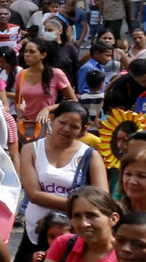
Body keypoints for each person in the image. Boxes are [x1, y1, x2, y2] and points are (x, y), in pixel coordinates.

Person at [19, 101, 108, 251]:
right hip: (36, 233)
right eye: (62, 122)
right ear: (52, 119)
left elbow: (102, 198)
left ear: (84, 129)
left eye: (74, 126)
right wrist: (78, 207)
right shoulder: (31, 149)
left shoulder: (91, 156)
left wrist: (57, 220)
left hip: (74, 234)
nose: (66, 129)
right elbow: (33, 194)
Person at [35, 188, 122, 262]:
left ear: (113, 219)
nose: (84, 224)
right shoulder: (64, 243)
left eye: (91, 215)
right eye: (77, 216)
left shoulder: (124, 254)